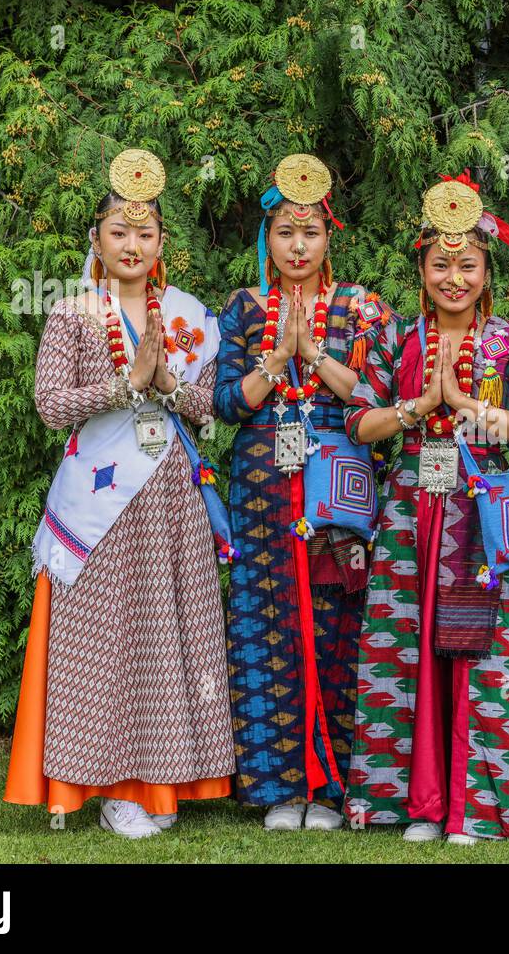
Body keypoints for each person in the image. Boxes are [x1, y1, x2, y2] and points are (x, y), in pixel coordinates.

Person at [5, 148, 235, 839]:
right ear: (97, 240)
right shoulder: (73, 313)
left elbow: (212, 408)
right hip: (99, 501)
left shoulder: (189, 319)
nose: (131, 244)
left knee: (166, 637)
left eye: (145, 234)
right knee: (98, 642)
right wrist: (126, 383)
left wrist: (166, 384)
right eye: (118, 232)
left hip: (169, 496)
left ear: (163, 242)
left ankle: (153, 784)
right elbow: (50, 404)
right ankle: (87, 781)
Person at [345, 172, 509, 843]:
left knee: (479, 654)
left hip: (480, 522)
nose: (454, 277)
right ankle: (418, 801)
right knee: (406, 650)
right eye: (441, 264)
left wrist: (473, 412)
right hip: (411, 516)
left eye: (467, 264)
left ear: (486, 268)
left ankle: (476, 806)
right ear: (422, 267)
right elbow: (359, 423)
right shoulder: (396, 338)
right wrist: (414, 408)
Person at [213, 154, 392, 831]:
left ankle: (334, 784)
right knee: (268, 627)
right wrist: (277, 359)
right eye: (285, 232)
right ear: (269, 237)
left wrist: (313, 356)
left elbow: (379, 397)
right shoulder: (242, 307)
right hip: (262, 485)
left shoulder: (361, 305)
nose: (297, 246)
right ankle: (280, 786)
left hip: (335, 484)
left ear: (328, 238)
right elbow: (229, 404)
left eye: (310, 233)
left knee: (337, 623)